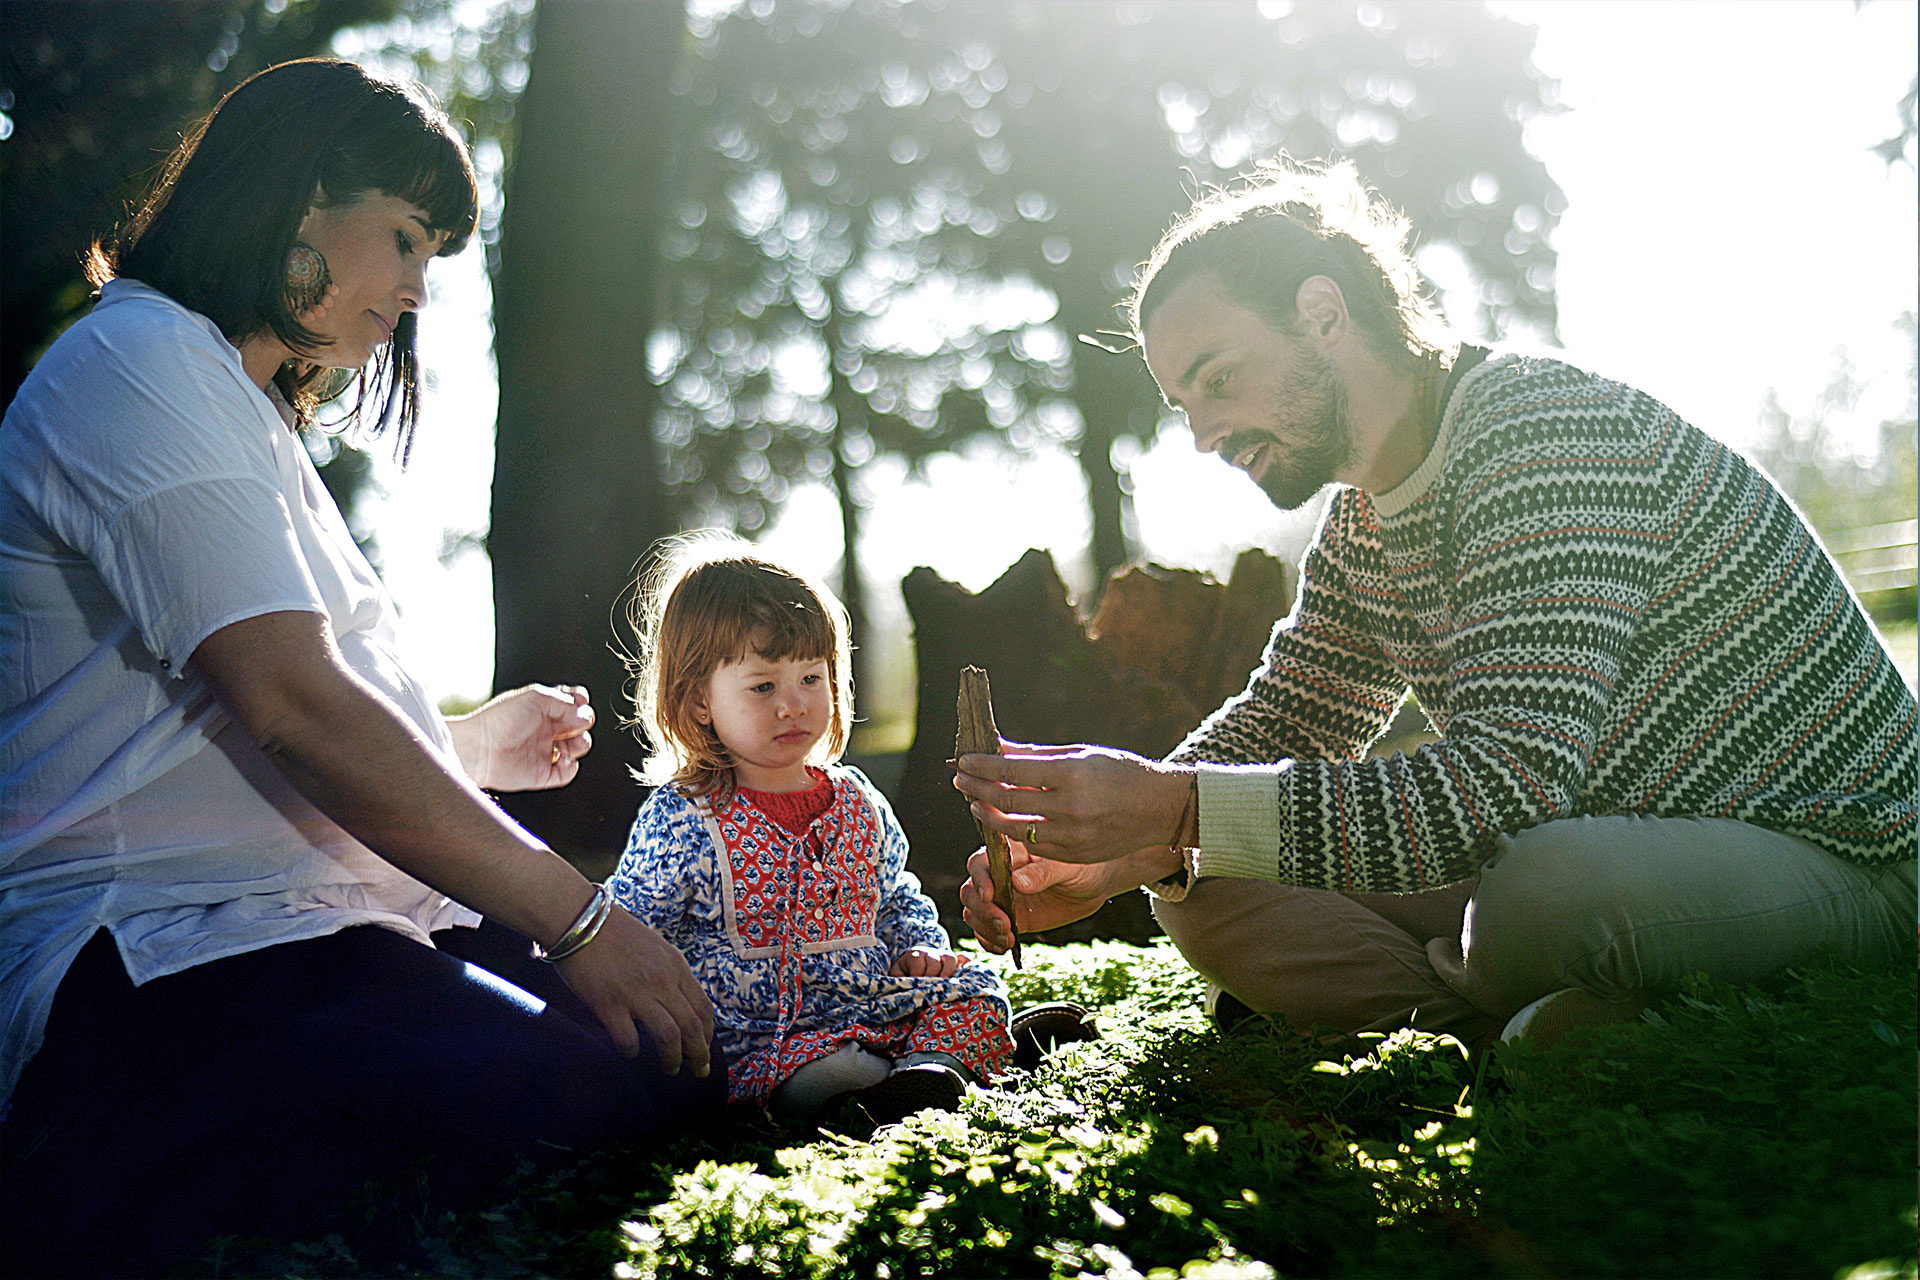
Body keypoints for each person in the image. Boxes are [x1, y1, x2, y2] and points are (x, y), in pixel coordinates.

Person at [0, 59, 722, 1271]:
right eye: (404, 237)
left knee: (673, 1050)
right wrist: (579, 913)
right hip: (155, 962)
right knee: (582, 1101)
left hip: (306, 932)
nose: (418, 290)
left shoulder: (233, 405)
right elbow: (292, 702)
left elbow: (219, 724)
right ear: (297, 192)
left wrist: (469, 744)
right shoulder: (139, 365)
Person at [957, 159, 1917, 1052]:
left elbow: (1507, 785)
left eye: (1220, 379)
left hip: (1845, 856)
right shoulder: (1364, 516)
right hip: (1609, 844)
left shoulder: (1539, 434)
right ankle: (1516, 1036)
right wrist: (1127, 851)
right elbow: (1293, 715)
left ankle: (1553, 1016)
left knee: (1541, 897)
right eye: (1186, 404)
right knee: (1206, 884)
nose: (1205, 433)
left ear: (1322, 314)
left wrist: (1172, 808)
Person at [609, 533, 1013, 1125]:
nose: (792, 705)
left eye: (810, 679)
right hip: (759, 1033)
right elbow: (633, 925)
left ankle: (925, 1074)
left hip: (873, 1002)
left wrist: (918, 947)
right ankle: (881, 1083)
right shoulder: (685, 817)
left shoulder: (856, 801)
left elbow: (893, 895)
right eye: (763, 686)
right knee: (828, 1069)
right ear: (699, 702)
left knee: (979, 991)